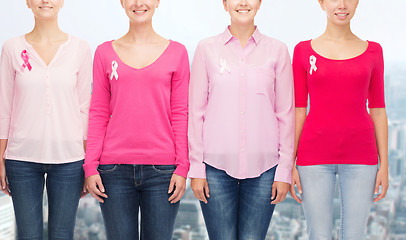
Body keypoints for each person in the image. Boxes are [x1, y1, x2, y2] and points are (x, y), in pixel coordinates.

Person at [188, 0, 295, 239]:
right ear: (225, 4)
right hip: (215, 168)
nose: (243, 3)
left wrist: (284, 171)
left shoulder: (278, 50)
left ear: (259, 3)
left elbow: (285, 115)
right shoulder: (206, 49)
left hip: (266, 168)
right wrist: (196, 168)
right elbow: (196, 112)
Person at [83, 0, 190, 239]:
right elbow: (98, 111)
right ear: (122, 2)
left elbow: (181, 112)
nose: (139, 3)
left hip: (163, 172)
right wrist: (90, 166)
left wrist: (182, 166)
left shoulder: (178, 52)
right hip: (113, 171)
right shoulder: (104, 52)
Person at [289, 0, 389, 239]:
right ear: (322, 3)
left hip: (361, 157)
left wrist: (384, 164)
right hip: (312, 156)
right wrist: (289, 162)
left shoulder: (374, 51)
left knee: (354, 235)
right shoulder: (303, 51)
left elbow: (377, 109)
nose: (342, 5)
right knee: (318, 235)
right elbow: (299, 109)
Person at [0, 0, 92, 239]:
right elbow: (5, 106)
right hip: (21, 159)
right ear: (28, 3)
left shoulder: (80, 49)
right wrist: (1, 159)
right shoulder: (12, 47)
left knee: (62, 234)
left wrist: (87, 163)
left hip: (70, 160)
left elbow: (84, 108)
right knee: (28, 235)